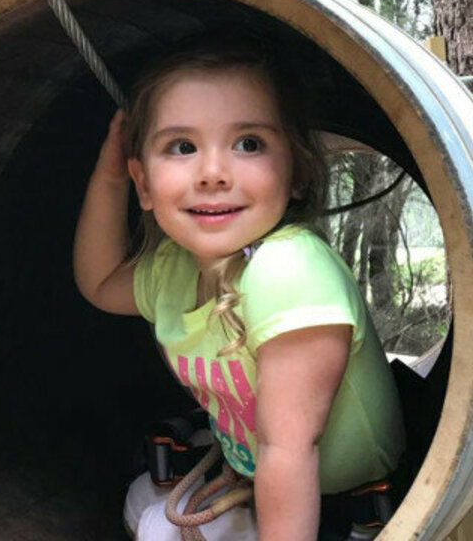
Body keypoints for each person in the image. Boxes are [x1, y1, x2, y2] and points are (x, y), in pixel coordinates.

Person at [73, 36, 406, 541]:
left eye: (248, 143)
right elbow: (98, 284)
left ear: (296, 172)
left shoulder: (290, 270)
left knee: (158, 529)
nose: (213, 174)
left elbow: (288, 452)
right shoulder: (173, 269)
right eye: (182, 147)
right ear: (145, 184)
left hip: (338, 501)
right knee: (143, 500)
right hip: (259, 472)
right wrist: (110, 178)